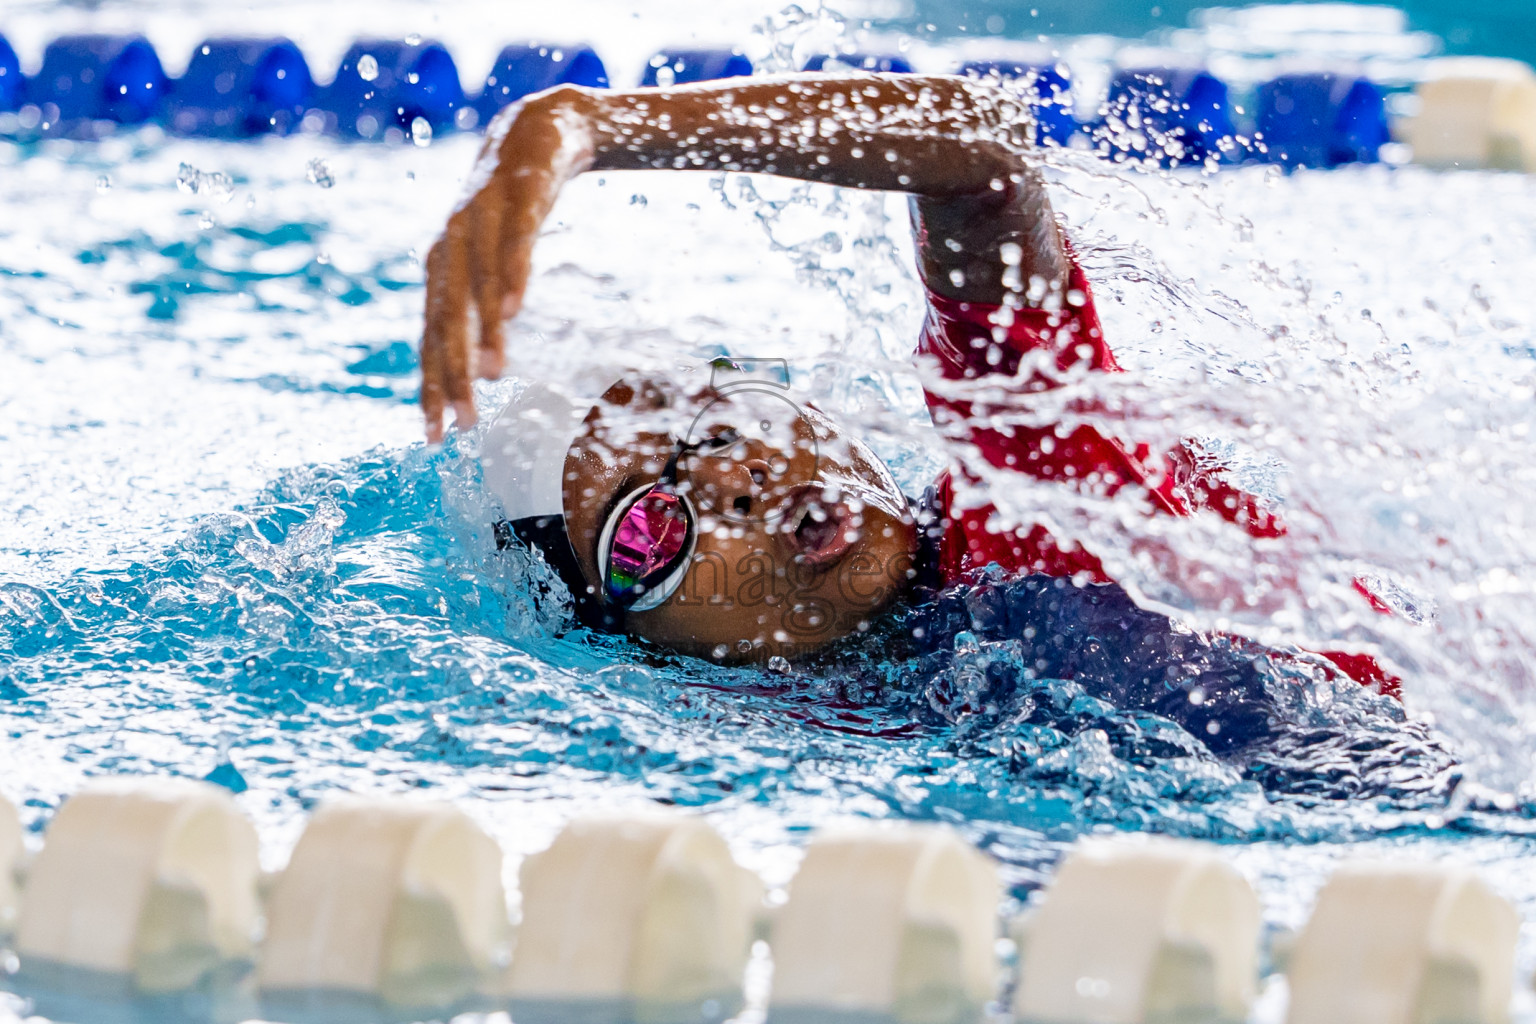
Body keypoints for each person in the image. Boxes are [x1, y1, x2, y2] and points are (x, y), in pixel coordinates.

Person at [417, 72, 1401, 749]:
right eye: (649, 532)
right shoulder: (867, 721)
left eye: (719, 428)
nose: (729, 477)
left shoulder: (1029, 480)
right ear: (651, 657)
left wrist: (587, 124)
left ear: (815, 413)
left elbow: (983, 156)